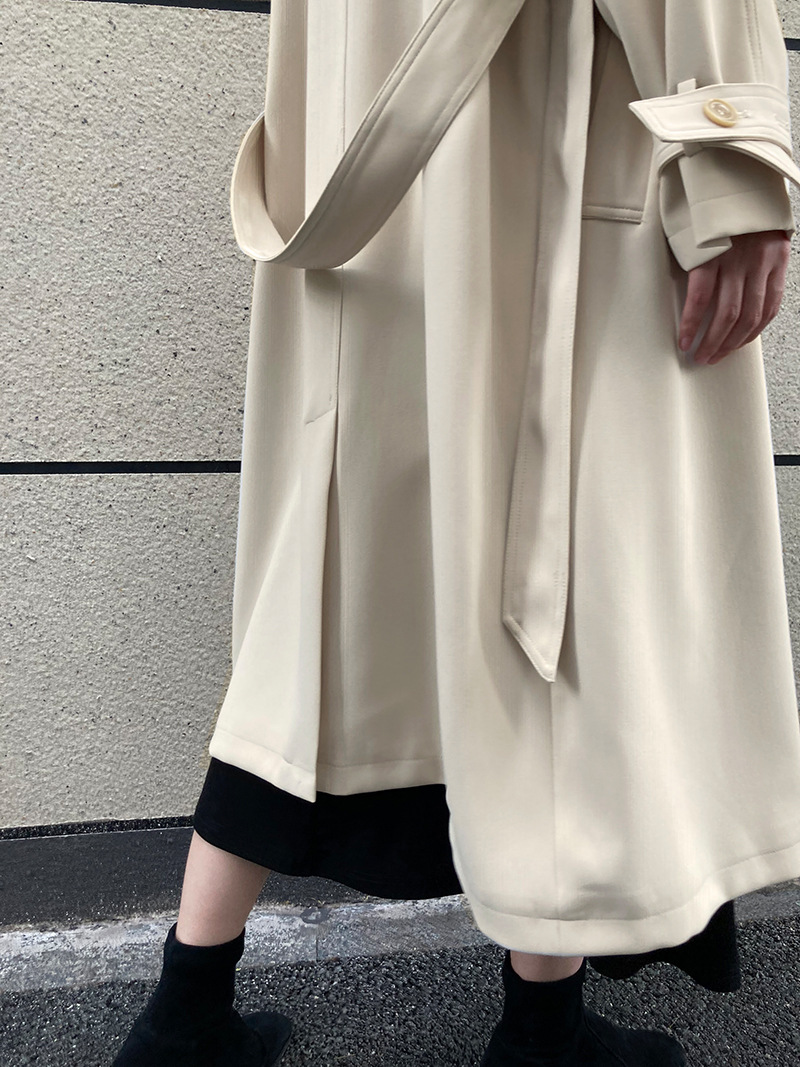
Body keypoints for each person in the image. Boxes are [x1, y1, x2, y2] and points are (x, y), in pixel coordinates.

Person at [111, 1, 800, 1065]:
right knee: (558, 602)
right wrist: (735, 159)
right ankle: (539, 1034)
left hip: (369, 198)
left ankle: (185, 1010)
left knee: (321, 640)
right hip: (528, 165)